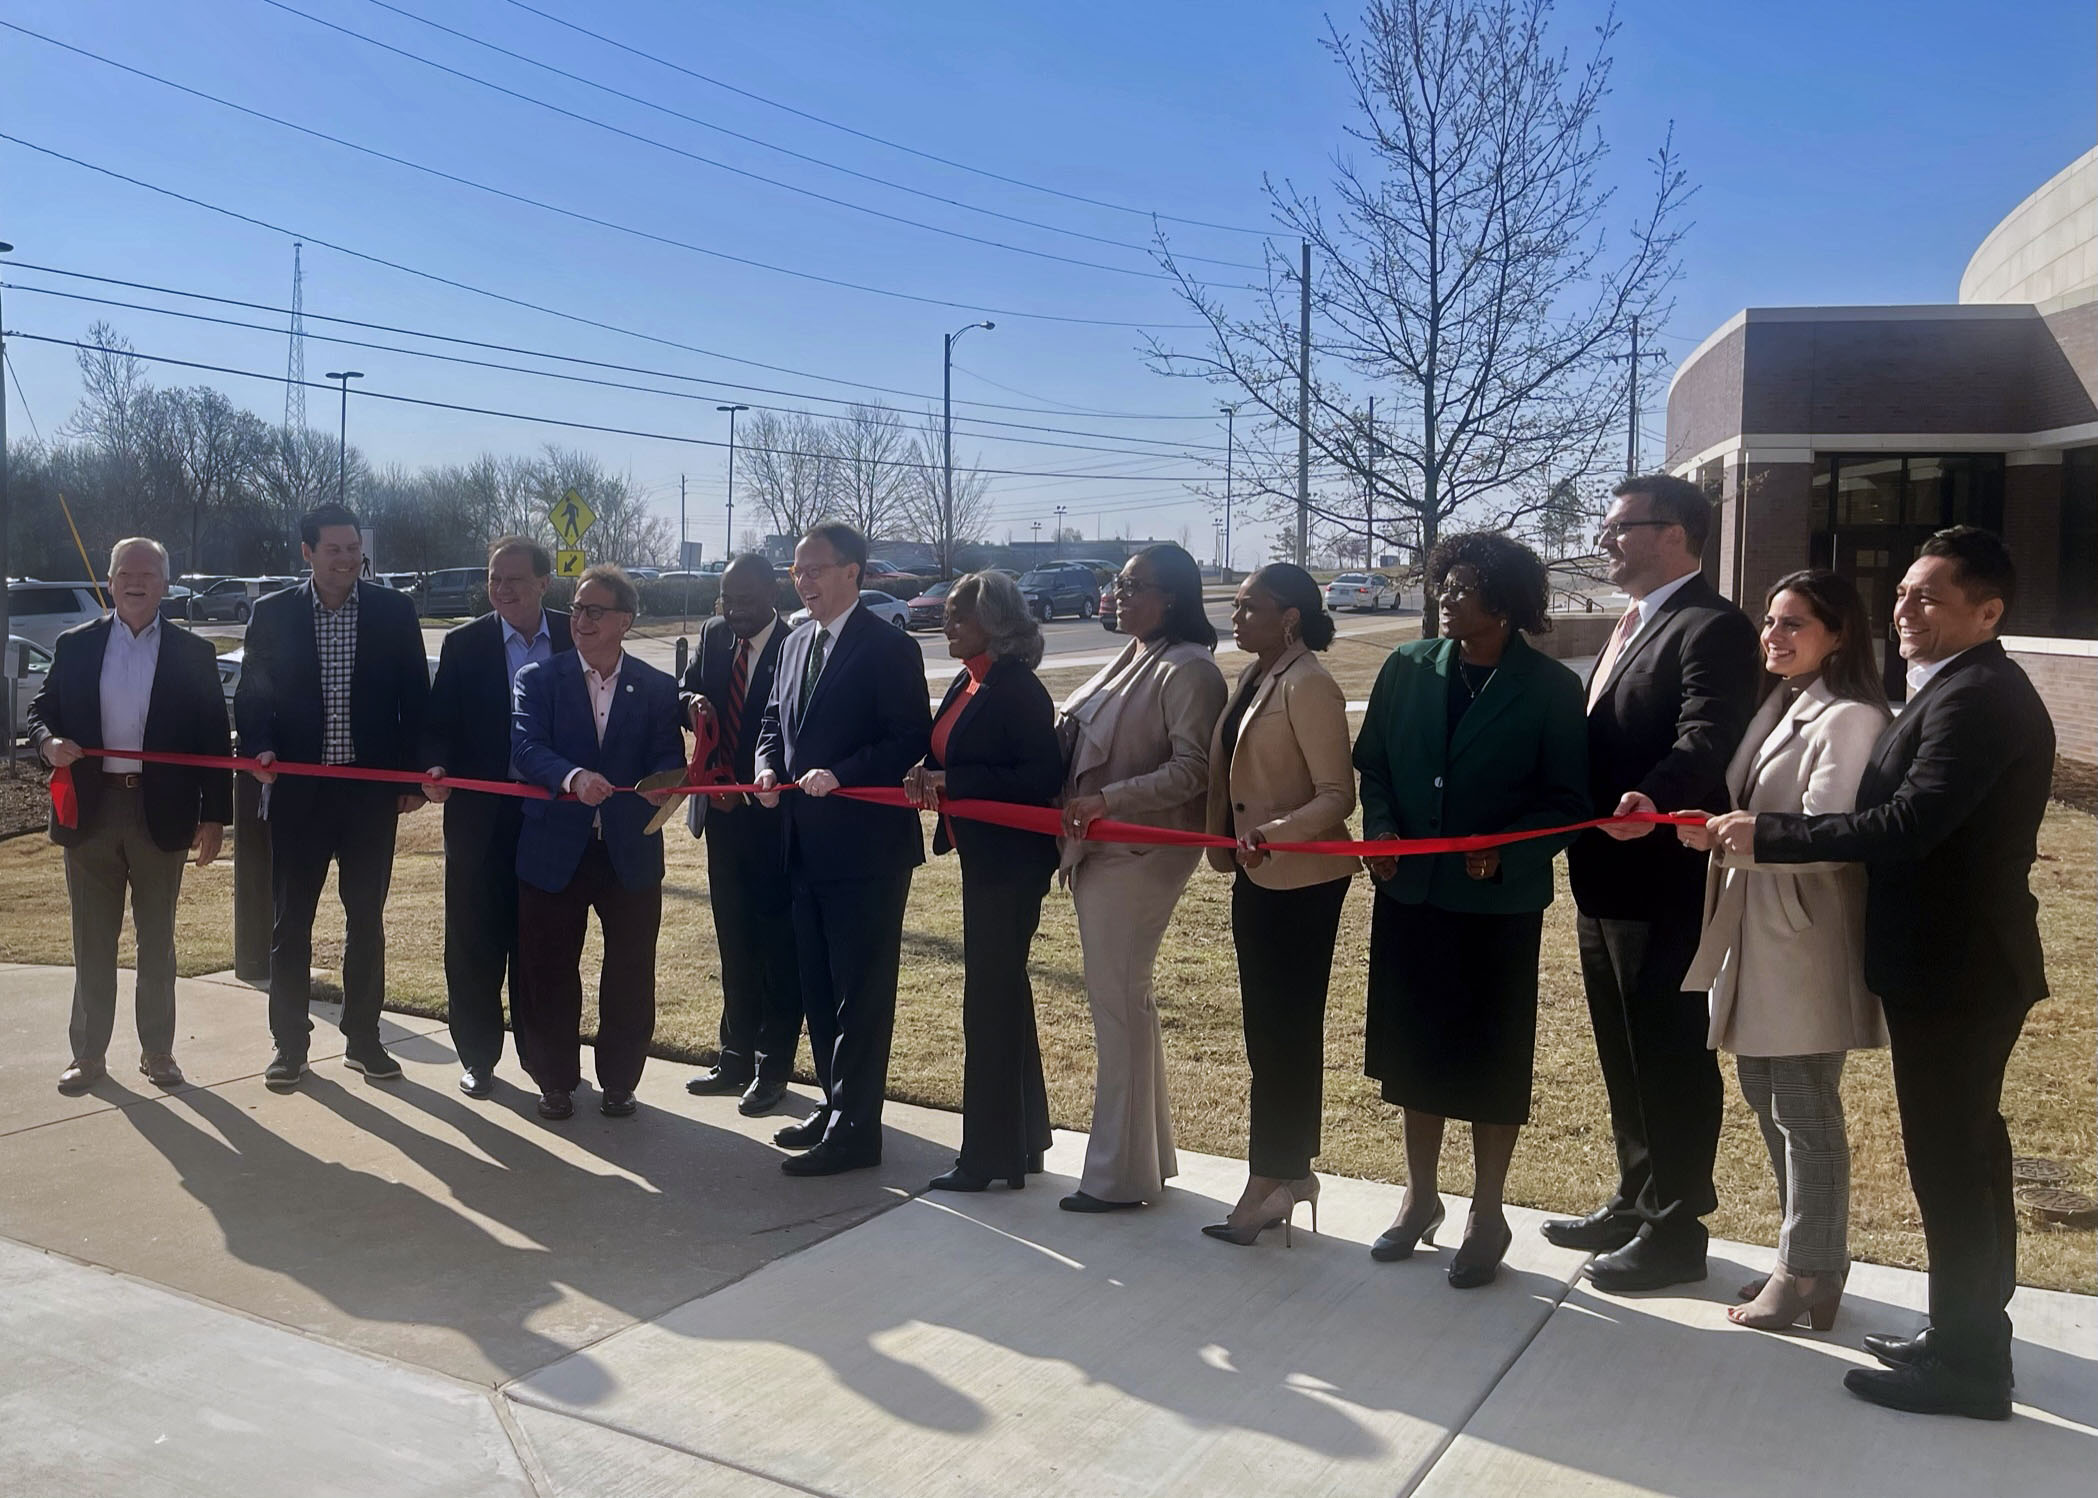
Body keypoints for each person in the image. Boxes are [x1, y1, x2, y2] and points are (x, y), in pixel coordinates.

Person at [1706, 527, 2052, 1420]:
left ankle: (1972, 1368)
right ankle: (1964, 1333)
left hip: (1961, 968)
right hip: (1945, 965)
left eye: (1929, 596)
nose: (1905, 609)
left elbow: (1909, 824)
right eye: (1902, 592)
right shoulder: (1956, 689)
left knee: (1955, 1162)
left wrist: (1771, 834)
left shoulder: (1979, 697)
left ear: (1989, 610)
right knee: (1964, 1156)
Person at [1355, 535, 1589, 1287]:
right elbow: (1377, 769)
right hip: (1414, 898)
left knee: (1489, 1061)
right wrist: (1383, 831)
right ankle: (1420, 1198)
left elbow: (1568, 803)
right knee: (1415, 1056)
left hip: (1496, 909)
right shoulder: (1405, 668)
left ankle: (1488, 1214)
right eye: (1442, 586)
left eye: (1463, 589)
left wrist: (1511, 852)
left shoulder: (1550, 688)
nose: (1446, 600)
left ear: (1507, 602)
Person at [1546, 475, 1760, 1291]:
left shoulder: (1712, 626)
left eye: (1620, 528)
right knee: (1621, 1044)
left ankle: (1677, 1231)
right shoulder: (1634, 622)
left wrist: (1658, 795)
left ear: (1676, 533)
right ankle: (1635, 1198)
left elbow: (1709, 731)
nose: (1605, 541)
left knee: (1666, 1051)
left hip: (1661, 873)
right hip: (1603, 872)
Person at [1676, 570, 1889, 1334]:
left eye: (1794, 623)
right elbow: (1758, 812)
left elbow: (1831, 833)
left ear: (1839, 634)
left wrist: (1744, 834)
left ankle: (1809, 1271)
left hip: (1802, 934)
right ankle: (1803, 1259)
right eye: (1770, 621)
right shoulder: (1786, 704)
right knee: (1770, 1096)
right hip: (1759, 924)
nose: (1774, 636)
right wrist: (1714, 825)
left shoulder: (1851, 717)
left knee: (1801, 1104)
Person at [235, 504, 433, 1090]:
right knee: (290, 923)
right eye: (334, 550)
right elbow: (252, 694)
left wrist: (410, 777)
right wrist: (260, 747)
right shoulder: (273, 615)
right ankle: (289, 1046)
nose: (347, 560)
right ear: (307, 553)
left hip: (369, 795)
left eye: (353, 549)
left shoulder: (394, 611)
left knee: (366, 919)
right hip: (299, 792)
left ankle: (364, 1039)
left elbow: (413, 701)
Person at [755, 522, 932, 1176]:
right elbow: (772, 723)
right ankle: (834, 1107)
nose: (803, 581)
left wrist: (846, 775)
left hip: (866, 854)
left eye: (816, 570)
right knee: (819, 986)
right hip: (803, 843)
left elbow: (908, 734)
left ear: (853, 571)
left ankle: (859, 1130)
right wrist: (768, 768)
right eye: (797, 571)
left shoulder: (888, 648)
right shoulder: (795, 640)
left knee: (861, 994)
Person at [28, 538, 232, 1094]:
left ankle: (158, 1053)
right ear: (111, 581)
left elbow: (215, 738)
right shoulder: (75, 645)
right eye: (125, 573)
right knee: (92, 939)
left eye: (148, 573)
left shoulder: (193, 653)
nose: (136, 582)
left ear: (166, 584)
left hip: (161, 812)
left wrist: (215, 817)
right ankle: (88, 1056)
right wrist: (48, 743)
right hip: (91, 811)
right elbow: (39, 712)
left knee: (156, 941)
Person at [1058, 543, 1226, 1213]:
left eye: (1134, 587)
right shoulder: (1134, 656)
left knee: (1118, 1005)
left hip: (1140, 854)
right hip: (1103, 850)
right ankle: (1143, 1159)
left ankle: (1117, 1178)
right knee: (1128, 1003)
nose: (1119, 596)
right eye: (1118, 585)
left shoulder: (1189, 670)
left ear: (1173, 598)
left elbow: (1193, 771)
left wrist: (1108, 799)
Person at [1196, 563, 1355, 1245]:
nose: (1235, 617)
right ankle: (1287, 1173)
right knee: (1269, 1035)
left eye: (1247, 606)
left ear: (1290, 616)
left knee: (1285, 1033)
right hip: (1254, 872)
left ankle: (1276, 1178)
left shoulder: (1310, 683)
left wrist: (1274, 834)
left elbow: (1335, 795)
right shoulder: (1256, 676)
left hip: (1300, 881)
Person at [904, 571, 1063, 1192]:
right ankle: (1023, 1142)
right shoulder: (970, 681)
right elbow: (949, 756)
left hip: (1012, 866)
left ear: (994, 623)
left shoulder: (1018, 689)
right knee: (1004, 998)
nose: (946, 626)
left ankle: (987, 1159)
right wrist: (928, 770)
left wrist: (951, 783)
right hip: (980, 859)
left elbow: (1036, 777)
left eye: (957, 617)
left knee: (988, 1006)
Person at [510, 566, 685, 1121]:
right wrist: (574, 777)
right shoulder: (539, 679)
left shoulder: (657, 688)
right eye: (576, 608)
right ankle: (555, 1081)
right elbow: (526, 748)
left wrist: (665, 783)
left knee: (631, 971)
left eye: (593, 611)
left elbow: (666, 755)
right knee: (548, 968)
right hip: (552, 850)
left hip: (629, 853)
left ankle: (620, 1082)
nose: (578, 620)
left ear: (624, 622)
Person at [421, 536, 573, 1099]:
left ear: (543, 583)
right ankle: (478, 1057)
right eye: (494, 579)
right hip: (480, 818)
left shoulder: (571, 634)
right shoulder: (465, 644)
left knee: (540, 944)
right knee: (473, 941)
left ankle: (541, 1060)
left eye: (514, 579)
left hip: (553, 816)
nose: (501, 589)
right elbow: (438, 723)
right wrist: (433, 764)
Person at [681, 554, 802, 1116]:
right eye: (727, 599)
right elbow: (686, 691)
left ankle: (773, 1066)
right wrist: (691, 703)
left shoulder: (799, 644)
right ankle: (733, 1056)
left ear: (773, 593)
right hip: (722, 819)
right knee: (733, 941)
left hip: (775, 821)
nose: (735, 610)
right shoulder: (712, 634)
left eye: (746, 599)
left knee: (777, 947)